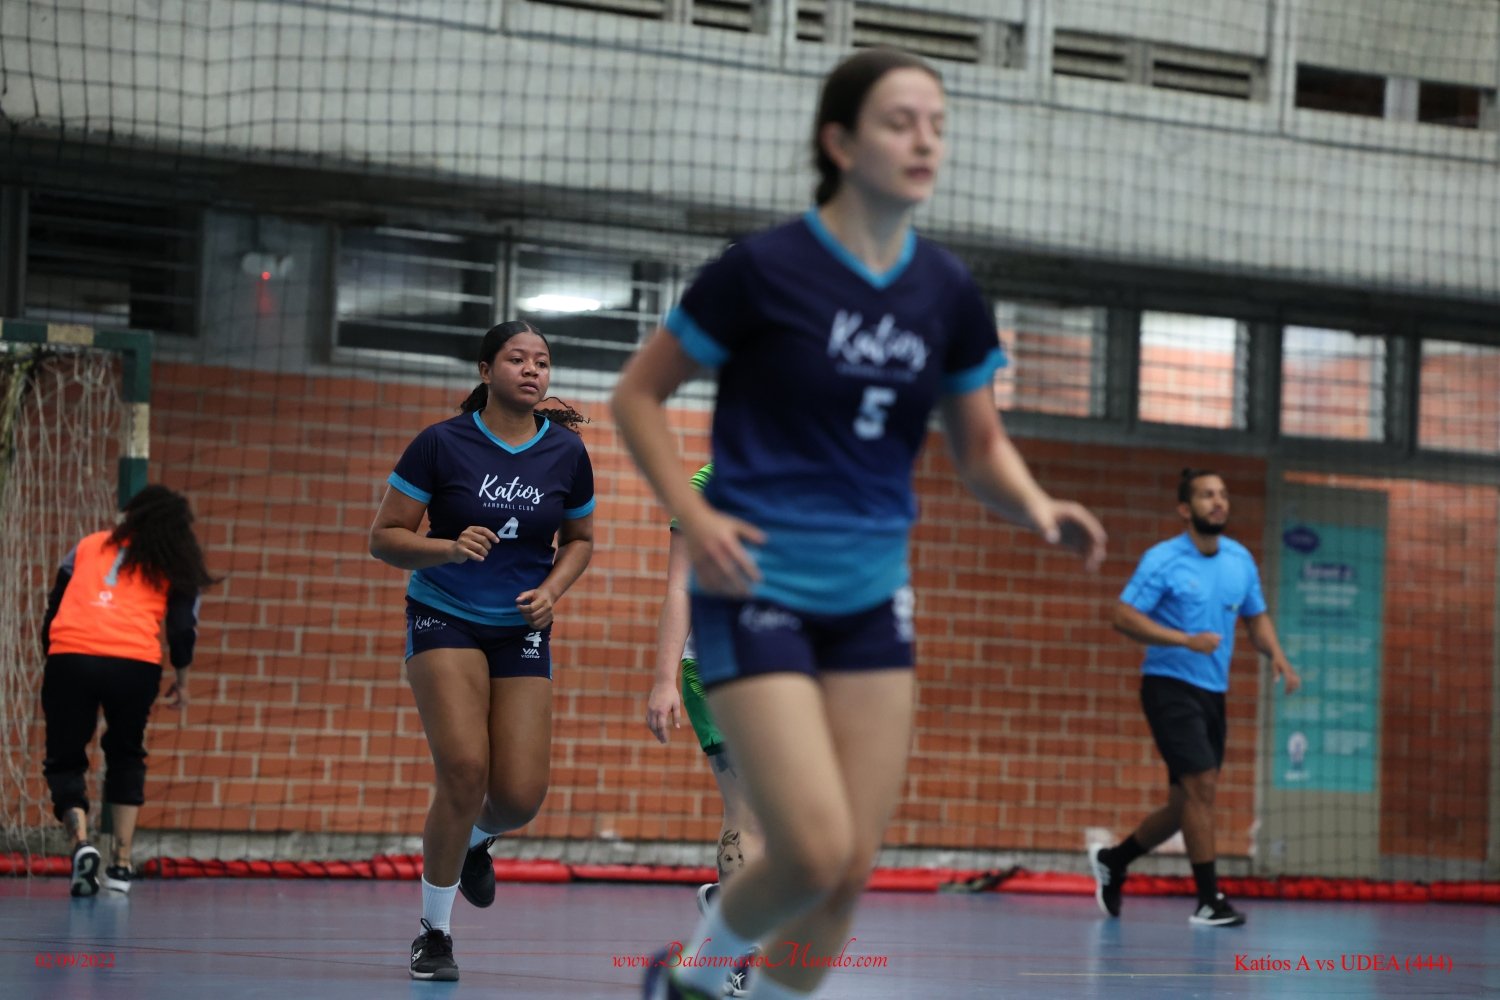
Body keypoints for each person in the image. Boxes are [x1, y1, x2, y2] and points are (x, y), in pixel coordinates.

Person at [612, 47, 1107, 1000]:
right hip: (756, 590)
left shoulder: (947, 294)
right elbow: (637, 397)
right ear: (839, 143)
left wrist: (1038, 504)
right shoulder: (763, 272)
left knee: (844, 875)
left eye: (937, 125)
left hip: (872, 603)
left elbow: (980, 445)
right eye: (899, 121)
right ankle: (693, 978)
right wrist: (694, 515)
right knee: (809, 847)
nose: (925, 140)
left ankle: (706, 989)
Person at [369, 320, 595, 981]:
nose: (532, 370)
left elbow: (580, 540)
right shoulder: (441, 443)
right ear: (485, 369)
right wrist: (447, 547)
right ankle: (433, 934)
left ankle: (474, 843)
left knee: (519, 797)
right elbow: (384, 537)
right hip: (444, 613)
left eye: (542, 362)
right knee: (466, 771)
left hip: (520, 627)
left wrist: (553, 589)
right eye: (517, 359)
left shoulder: (567, 452)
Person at [1088, 468, 1300, 928]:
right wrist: (1183, 640)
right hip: (1168, 686)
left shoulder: (1240, 560)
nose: (1218, 502)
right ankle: (1209, 901)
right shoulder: (1163, 560)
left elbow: (1256, 617)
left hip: (1213, 693)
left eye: (1222, 494)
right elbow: (1122, 616)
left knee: (1185, 803)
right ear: (1185, 509)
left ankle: (1114, 860)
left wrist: (1278, 655)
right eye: (1206, 495)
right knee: (1202, 787)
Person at [40, 484, 215, 897]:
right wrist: (182, 682)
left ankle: (81, 844)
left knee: (65, 757)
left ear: (132, 515)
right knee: (126, 753)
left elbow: (54, 606)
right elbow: (182, 629)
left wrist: (56, 658)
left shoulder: (89, 544)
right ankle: (120, 865)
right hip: (134, 663)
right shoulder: (174, 559)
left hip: (71, 656)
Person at [646, 462, 763, 997]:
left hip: (785, 668)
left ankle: (727, 907)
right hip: (715, 667)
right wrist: (664, 679)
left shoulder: (815, 478)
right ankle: (736, 957)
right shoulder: (707, 484)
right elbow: (680, 588)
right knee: (747, 810)